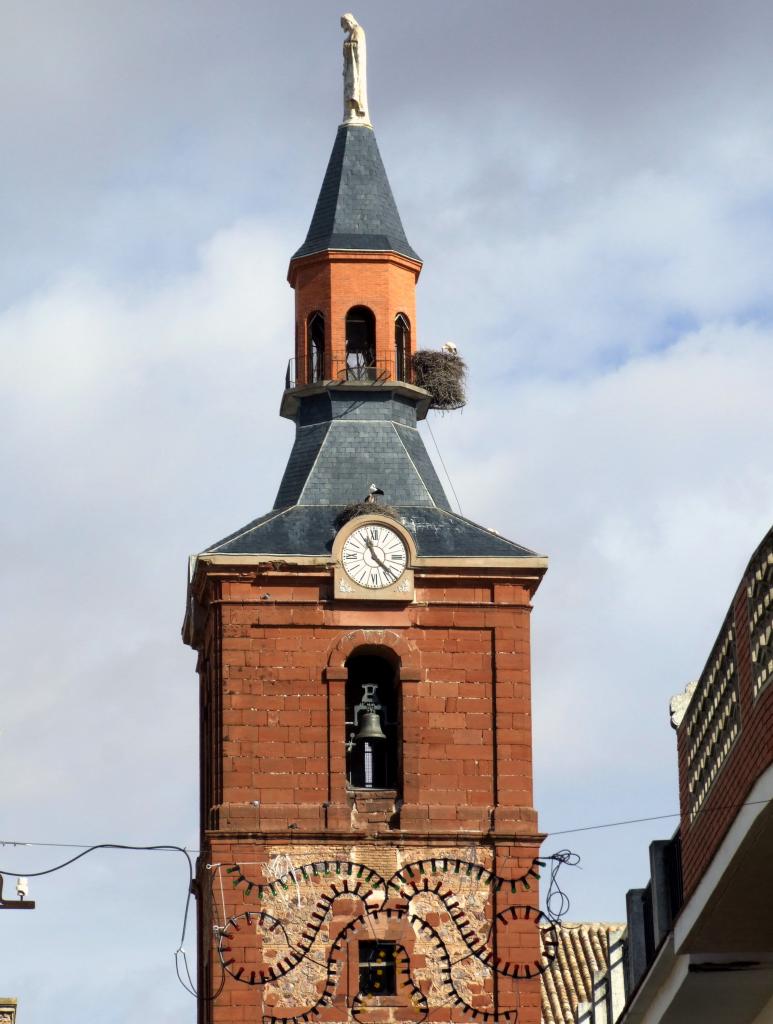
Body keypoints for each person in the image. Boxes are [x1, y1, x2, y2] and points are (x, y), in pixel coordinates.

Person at [341, 13, 370, 124]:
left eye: (344, 24)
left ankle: (356, 110)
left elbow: (357, 46)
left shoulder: (358, 31)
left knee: (354, 88)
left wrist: (348, 45)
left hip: (355, 68)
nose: (344, 28)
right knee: (349, 89)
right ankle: (350, 112)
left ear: (348, 22)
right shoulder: (351, 34)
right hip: (350, 66)